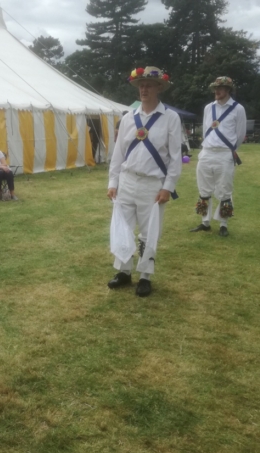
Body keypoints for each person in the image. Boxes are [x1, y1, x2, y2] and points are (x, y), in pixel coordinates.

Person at [107, 67, 182, 297]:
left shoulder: (170, 118)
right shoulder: (129, 118)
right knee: (123, 228)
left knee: (150, 233)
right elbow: (118, 153)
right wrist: (113, 181)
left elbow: (176, 157)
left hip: (153, 184)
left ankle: (145, 276)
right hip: (127, 181)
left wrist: (167, 187)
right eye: (141, 84)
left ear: (159, 87)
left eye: (149, 84)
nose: (144, 88)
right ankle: (124, 271)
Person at [190, 77, 246, 237]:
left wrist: (230, 150)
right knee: (204, 188)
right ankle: (205, 222)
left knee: (224, 189)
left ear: (228, 90)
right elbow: (206, 128)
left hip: (224, 154)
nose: (216, 91)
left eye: (220, 88)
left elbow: (240, 134)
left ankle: (223, 224)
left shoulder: (238, 109)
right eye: (215, 88)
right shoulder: (209, 107)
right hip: (206, 152)